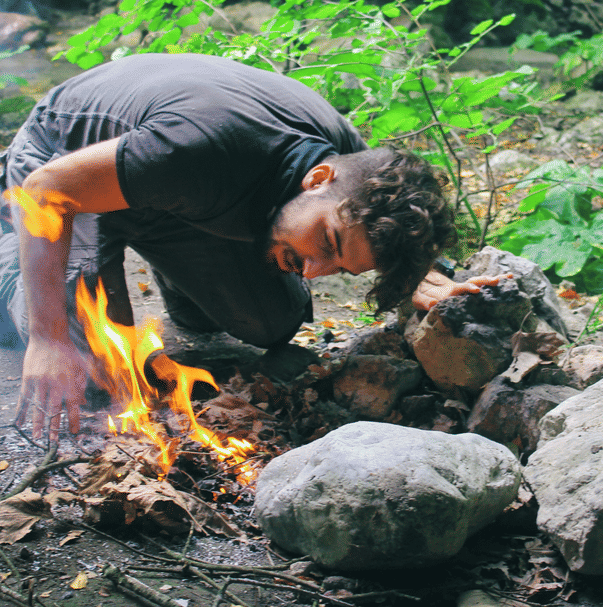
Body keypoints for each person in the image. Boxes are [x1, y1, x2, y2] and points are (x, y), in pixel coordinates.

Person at [0, 53, 486, 442]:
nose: (313, 271)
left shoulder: (350, 170)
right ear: (318, 179)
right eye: (327, 242)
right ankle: (9, 259)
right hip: (64, 165)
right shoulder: (198, 147)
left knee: (272, 320)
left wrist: (421, 273)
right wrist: (48, 336)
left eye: (340, 266)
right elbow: (48, 190)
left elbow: (387, 212)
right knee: (91, 369)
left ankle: (174, 272)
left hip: (168, 193)